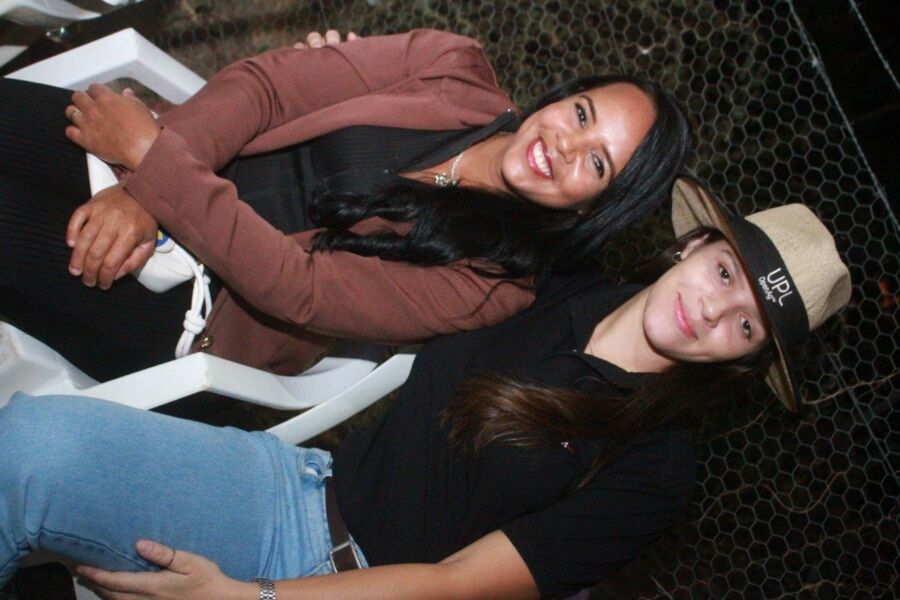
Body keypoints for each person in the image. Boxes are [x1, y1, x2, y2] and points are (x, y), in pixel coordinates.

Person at [0, 178, 851, 598]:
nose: (713, 310)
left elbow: (453, 586)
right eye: (726, 273)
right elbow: (437, 194)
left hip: (364, 589)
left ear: (742, 361)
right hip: (296, 492)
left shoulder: (656, 470)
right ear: (694, 246)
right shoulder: (560, 282)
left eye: (746, 326)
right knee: (33, 447)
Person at [0, 28, 691, 382]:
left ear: (597, 208)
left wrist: (154, 172)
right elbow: (270, 86)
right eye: (581, 114)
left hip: (191, 304)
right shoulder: (453, 66)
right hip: (171, 155)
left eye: (597, 163)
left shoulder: (495, 283)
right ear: (565, 94)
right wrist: (148, 177)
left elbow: (297, 288)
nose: (566, 144)